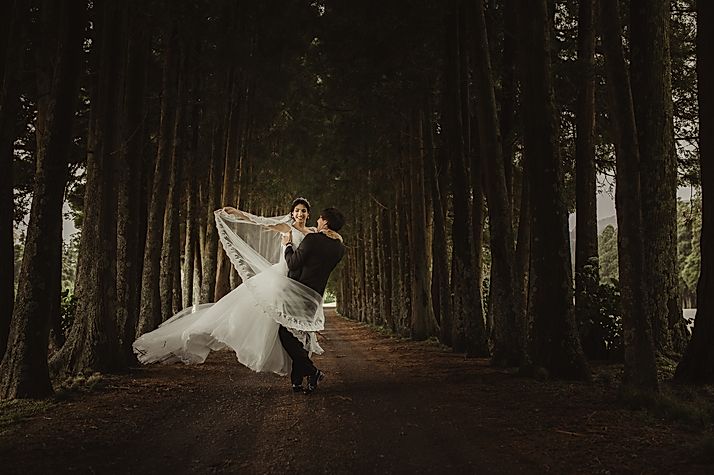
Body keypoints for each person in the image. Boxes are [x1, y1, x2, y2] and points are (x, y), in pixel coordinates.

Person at [132, 198, 334, 386]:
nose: (300, 214)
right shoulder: (287, 229)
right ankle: (302, 372)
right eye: (297, 210)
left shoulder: (313, 235)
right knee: (277, 326)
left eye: (304, 211)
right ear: (292, 213)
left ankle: (299, 375)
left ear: (309, 214)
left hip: (299, 285)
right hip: (280, 282)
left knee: (293, 330)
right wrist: (237, 213)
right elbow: (260, 222)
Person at [279, 207, 346, 393]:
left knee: (285, 333)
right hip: (316, 296)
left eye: (319, 219)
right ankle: (298, 380)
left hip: (298, 291)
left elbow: (293, 263)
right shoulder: (339, 247)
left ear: (325, 222)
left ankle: (312, 372)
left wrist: (288, 245)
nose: (316, 221)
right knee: (302, 334)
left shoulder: (313, 240)